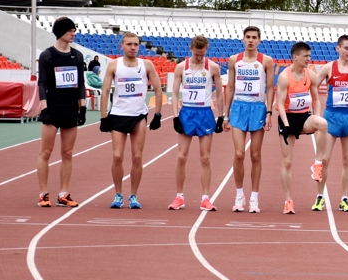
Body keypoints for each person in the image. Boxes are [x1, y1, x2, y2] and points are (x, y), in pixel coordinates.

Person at [99, 32, 163, 209]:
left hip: (138, 115)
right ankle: (118, 194)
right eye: (129, 44)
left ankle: (133, 195)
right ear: (122, 46)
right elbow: (104, 92)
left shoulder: (146, 65)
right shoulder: (114, 65)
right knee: (117, 156)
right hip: (118, 114)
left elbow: (158, 90)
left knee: (137, 157)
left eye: (135, 44)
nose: (133, 47)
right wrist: (103, 117)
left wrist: (157, 114)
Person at [311, 35, 348, 213]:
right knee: (325, 159)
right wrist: (315, 110)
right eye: (346, 48)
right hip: (331, 118)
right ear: (338, 48)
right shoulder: (329, 68)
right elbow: (313, 86)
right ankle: (320, 197)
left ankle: (345, 199)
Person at [168, 36, 225, 212]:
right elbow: (175, 92)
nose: (199, 57)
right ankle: (179, 197)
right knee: (181, 156)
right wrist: (175, 116)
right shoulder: (181, 67)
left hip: (205, 113)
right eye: (197, 54)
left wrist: (221, 117)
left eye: (202, 54)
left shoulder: (213, 67)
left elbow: (220, 93)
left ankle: (205, 198)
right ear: (191, 48)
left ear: (206, 49)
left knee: (205, 158)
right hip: (186, 113)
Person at [36, 17, 86, 207]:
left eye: (74, 30)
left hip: (70, 109)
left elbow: (80, 83)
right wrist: (44, 107)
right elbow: (42, 82)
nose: (74, 33)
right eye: (70, 30)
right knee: (46, 152)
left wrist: (83, 106)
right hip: (52, 109)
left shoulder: (77, 55)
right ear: (61, 32)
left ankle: (63, 194)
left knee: (67, 153)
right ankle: (43, 193)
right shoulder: (48, 55)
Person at [224, 26, 275, 213]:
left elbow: (270, 88)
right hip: (238, 107)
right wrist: (226, 115)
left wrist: (269, 112)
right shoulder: (234, 60)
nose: (251, 40)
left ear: (259, 40)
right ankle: (239, 195)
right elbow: (229, 87)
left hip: (258, 108)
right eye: (248, 37)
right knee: (239, 154)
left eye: (254, 37)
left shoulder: (266, 61)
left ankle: (254, 196)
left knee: (255, 155)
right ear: (243, 39)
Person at [275, 42, 329, 214]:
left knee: (322, 124)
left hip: (304, 116)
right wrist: (287, 125)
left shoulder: (310, 74)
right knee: (287, 162)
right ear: (295, 57)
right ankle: (288, 201)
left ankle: (317, 164)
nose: (309, 59)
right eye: (306, 56)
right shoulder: (284, 77)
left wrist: (317, 115)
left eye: (309, 56)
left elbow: (316, 99)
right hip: (288, 118)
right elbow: (280, 105)